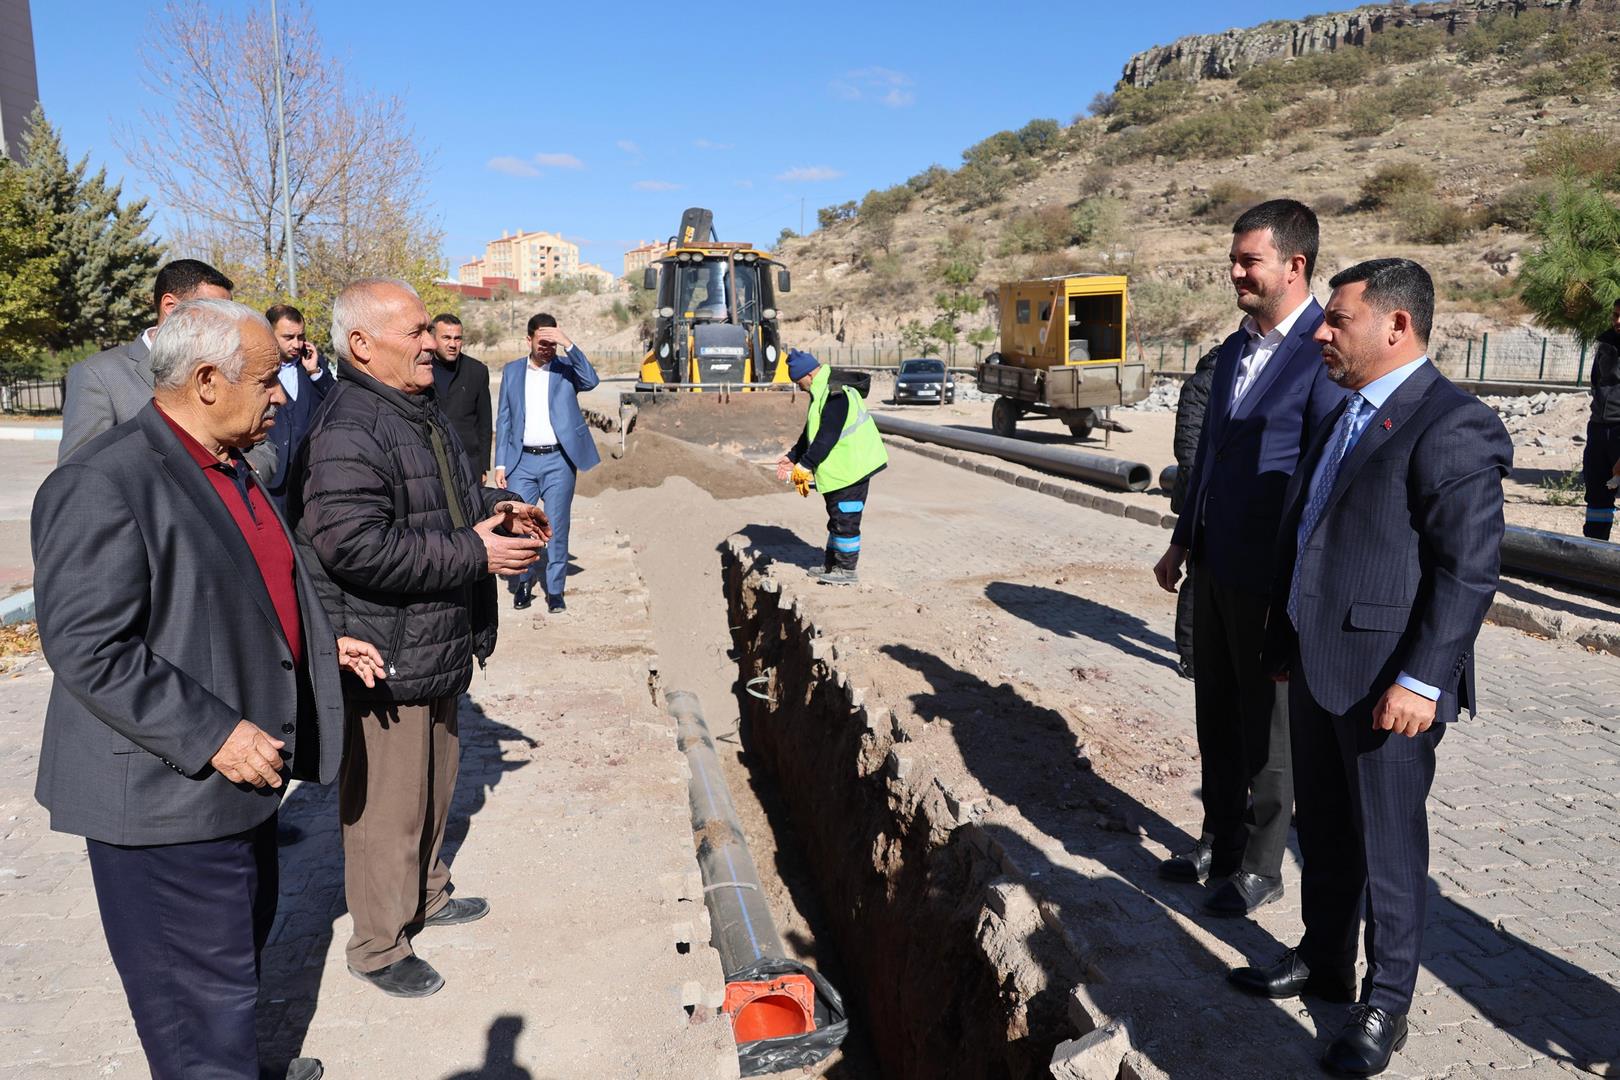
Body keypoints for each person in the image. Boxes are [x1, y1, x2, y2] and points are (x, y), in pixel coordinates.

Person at [32, 298, 387, 1080]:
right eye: (267, 381)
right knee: (196, 1015)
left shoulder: (229, 467)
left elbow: (248, 593)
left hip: (234, 792)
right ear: (204, 381)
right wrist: (214, 733)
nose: (283, 397)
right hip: (166, 800)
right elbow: (88, 646)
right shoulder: (107, 480)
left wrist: (322, 645)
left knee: (227, 982)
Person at [1231, 258, 1512, 1077]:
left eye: (1338, 319)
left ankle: (1386, 1003)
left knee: (1388, 848)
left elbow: (1469, 571)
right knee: (1323, 831)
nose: (1321, 330)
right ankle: (1325, 961)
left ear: (1397, 326)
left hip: (1391, 682)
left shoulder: (1451, 422)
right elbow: (1311, 533)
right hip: (1321, 667)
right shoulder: (1344, 413)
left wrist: (1424, 679)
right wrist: (1287, 644)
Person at [295, 278, 550, 999]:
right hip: (389, 650)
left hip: (434, 638)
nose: (431, 343)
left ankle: (426, 896)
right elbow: (356, 547)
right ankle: (379, 944)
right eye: (412, 332)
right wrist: (477, 554)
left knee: (436, 783)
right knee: (387, 807)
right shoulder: (350, 428)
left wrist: (503, 509)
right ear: (361, 346)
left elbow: (452, 497)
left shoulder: (412, 410)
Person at [1151, 199, 1346, 917]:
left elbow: (1326, 473)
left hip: (1272, 577)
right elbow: (1209, 453)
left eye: (1248, 261)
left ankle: (1262, 866)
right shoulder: (1234, 348)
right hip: (1214, 564)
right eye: (1233, 259)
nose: (1234, 272)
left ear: (1295, 266)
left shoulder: (1324, 351)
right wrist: (1183, 538)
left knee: (1270, 728)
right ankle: (1220, 841)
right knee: (1217, 712)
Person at [59, 259, 275, 478]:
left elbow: (263, 445)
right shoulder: (99, 375)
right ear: (171, 307)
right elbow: (77, 474)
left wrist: (240, 474)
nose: (228, 323)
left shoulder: (230, 367)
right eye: (214, 312)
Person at [493, 313, 601, 613]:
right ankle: (524, 583)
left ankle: (555, 590)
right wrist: (501, 463)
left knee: (555, 526)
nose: (547, 348)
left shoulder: (566, 369)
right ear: (528, 340)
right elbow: (504, 419)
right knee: (520, 527)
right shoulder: (512, 370)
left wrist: (568, 343)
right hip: (521, 462)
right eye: (542, 342)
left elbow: (592, 380)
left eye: (552, 343)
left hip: (559, 461)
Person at [775, 349, 889, 585]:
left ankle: (846, 570)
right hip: (840, 470)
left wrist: (806, 466)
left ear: (808, 374)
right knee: (836, 517)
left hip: (853, 468)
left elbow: (827, 436)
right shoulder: (822, 392)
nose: (799, 387)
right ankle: (832, 564)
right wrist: (793, 457)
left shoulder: (836, 394)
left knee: (846, 517)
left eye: (798, 381)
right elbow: (812, 433)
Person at [1169, 345, 1221, 680]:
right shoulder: (1207, 380)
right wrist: (1199, 484)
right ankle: (1189, 654)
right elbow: (1187, 438)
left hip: (1221, 495)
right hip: (1200, 495)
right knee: (1197, 576)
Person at [262, 303, 332, 513]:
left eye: (300, 337)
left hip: (312, 477)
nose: (297, 343)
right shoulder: (255, 370)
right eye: (288, 337)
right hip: (273, 480)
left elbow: (336, 403)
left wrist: (316, 373)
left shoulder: (315, 365)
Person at [430, 313, 494, 480]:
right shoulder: (421, 369)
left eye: (457, 338)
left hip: (468, 461)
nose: (452, 344)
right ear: (432, 337)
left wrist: (483, 465)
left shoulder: (477, 371)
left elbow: (484, 422)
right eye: (446, 337)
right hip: (430, 459)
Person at [1581, 299, 1620, 541]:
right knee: (1597, 494)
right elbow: (1597, 382)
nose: (1618, 321)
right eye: (1615, 315)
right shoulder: (1606, 344)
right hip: (1599, 429)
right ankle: (1593, 556)